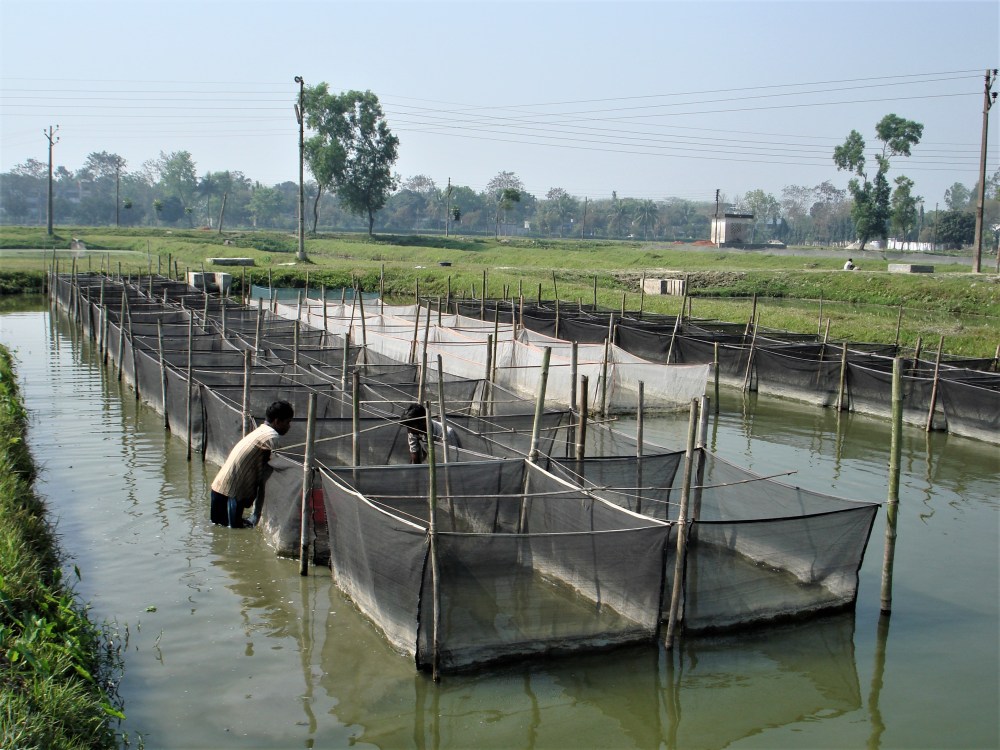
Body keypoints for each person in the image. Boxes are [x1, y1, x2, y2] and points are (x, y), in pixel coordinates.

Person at [210, 400, 294, 528]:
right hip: (233, 493)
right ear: (277, 421)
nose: (289, 426)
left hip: (219, 487)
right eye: (287, 422)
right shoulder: (271, 436)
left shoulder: (260, 431)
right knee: (234, 533)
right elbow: (283, 464)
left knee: (218, 530)